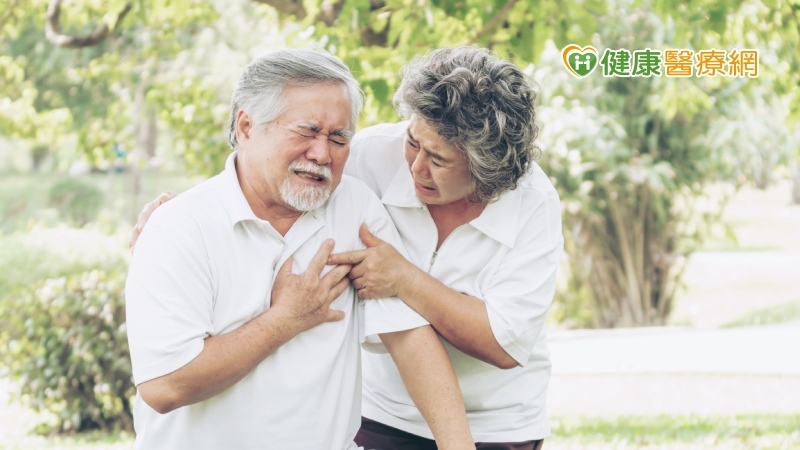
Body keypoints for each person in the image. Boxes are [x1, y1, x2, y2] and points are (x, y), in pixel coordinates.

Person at [132, 46, 563, 450]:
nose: (323, 153)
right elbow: (165, 386)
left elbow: (417, 336)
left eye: (339, 138)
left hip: (499, 418)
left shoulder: (355, 205)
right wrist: (283, 318)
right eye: (307, 131)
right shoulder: (184, 228)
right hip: (382, 415)